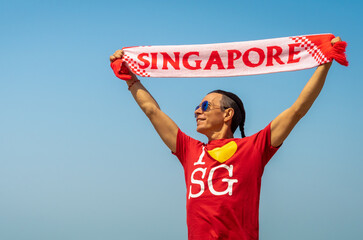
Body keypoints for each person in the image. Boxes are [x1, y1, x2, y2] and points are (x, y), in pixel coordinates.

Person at [109, 37, 342, 240]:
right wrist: (130, 79)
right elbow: (152, 111)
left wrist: (325, 63)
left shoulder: (255, 147)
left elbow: (297, 110)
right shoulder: (189, 149)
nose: (197, 111)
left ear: (227, 114)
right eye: (197, 107)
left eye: (205, 106)